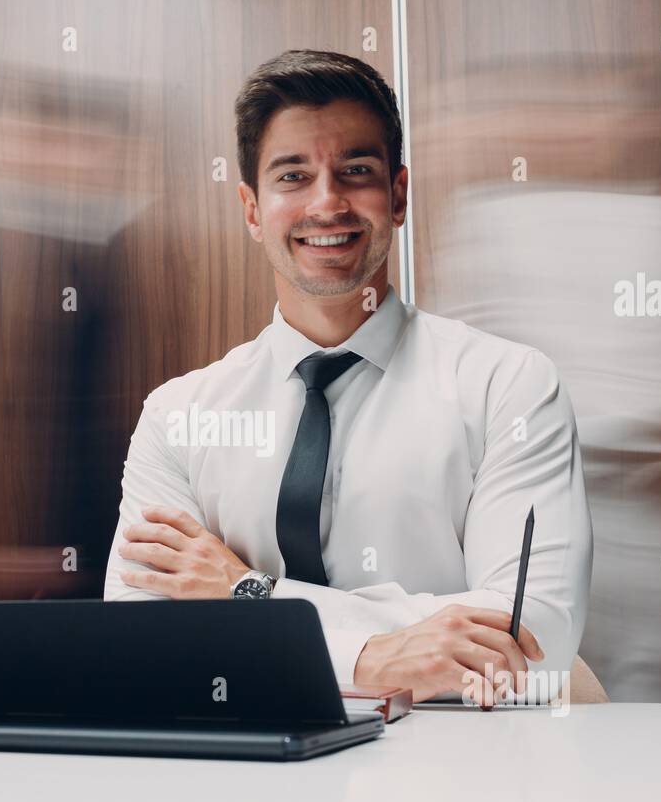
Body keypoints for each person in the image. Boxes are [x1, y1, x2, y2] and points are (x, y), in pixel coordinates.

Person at [103, 50, 592, 706]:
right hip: (240, 772)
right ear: (252, 209)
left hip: (464, 774)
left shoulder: (510, 386)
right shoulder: (177, 414)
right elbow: (140, 640)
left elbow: (531, 637)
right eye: (294, 176)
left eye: (355, 172)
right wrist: (378, 653)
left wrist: (247, 595)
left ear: (397, 195)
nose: (326, 202)